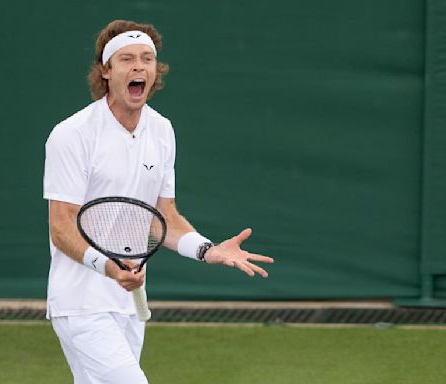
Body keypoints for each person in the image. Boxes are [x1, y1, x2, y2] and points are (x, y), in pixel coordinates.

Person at [43, 19, 274, 384]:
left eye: (147, 59)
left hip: (129, 303)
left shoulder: (162, 130)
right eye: (127, 59)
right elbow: (61, 226)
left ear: (155, 70)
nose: (139, 67)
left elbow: (161, 217)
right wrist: (109, 267)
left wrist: (207, 250)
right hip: (81, 302)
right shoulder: (71, 135)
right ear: (106, 71)